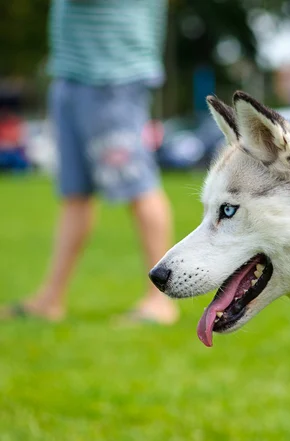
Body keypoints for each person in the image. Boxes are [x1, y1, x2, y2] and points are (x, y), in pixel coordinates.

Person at [1, 0, 178, 324]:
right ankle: (50, 299)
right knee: (75, 194)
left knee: (139, 186)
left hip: (111, 73)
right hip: (74, 73)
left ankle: (160, 301)